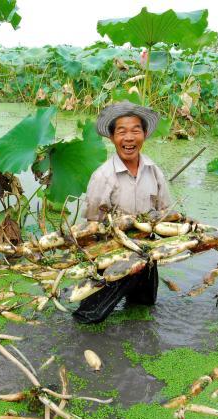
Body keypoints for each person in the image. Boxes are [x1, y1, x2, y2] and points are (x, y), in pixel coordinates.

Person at [72, 101, 173, 324]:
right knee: (89, 317)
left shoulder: (154, 171)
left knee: (143, 308)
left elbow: (165, 212)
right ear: (112, 138)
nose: (129, 138)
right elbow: (91, 227)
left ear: (144, 134)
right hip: (113, 255)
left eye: (136, 130)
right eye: (122, 131)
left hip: (147, 253)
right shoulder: (103, 177)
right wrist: (93, 265)